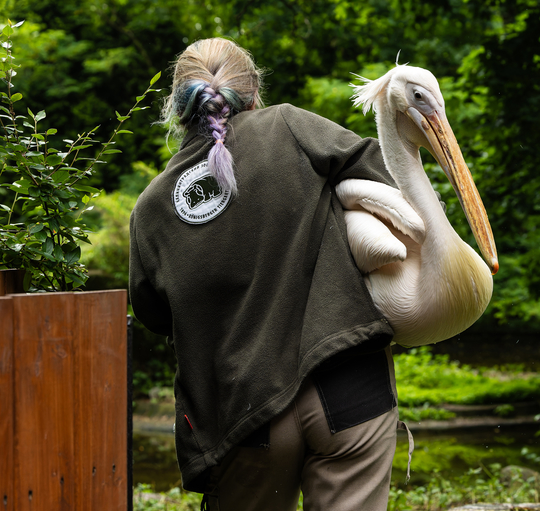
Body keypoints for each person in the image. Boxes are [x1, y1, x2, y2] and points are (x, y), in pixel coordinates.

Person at [129, 38, 400, 511]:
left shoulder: (151, 208)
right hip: (348, 384)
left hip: (242, 413)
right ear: (253, 92)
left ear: (177, 106)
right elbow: (381, 184)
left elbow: (152, 315)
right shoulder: (290, 126)